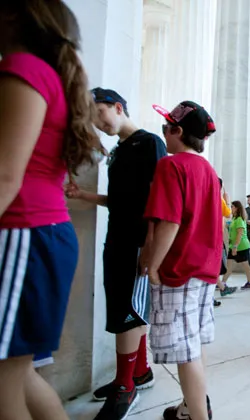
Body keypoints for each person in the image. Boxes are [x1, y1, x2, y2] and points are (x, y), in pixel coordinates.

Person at [0, 1, 101, 418]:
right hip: (37, 234)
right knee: (18, 375)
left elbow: (6, 173)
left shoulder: (24, 69)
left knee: (6, 382)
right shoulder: (48, 76)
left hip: (23, 232)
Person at [65, 88, 167, 414]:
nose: (98, 123)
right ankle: (140, 371)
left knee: (129, 313)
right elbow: (119, 200)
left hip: (139, 242)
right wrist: (83, 195)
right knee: (123, 307)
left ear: (118, 107)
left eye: (100, 114)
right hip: (117, 239)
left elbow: (160, 201)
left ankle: (126, 386)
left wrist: (150, 248)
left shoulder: (150, 143)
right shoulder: (119, 151)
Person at [143, 100, 220, 420]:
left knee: (185, 353)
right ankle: (191, 406)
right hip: (204, 270)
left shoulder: (171, 166)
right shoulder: (208, 171)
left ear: (178, 132)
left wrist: (153, 265)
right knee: (194, 343)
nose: (163, 134)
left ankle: (198, 415)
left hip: (179, 269)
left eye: (166, 128)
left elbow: (169, 223)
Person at [223, 201, 250, 290]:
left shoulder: (240, 219)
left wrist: (235, 246)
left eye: (232, 206)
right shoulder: (234, 219)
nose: (231, 208)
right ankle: (223, 282)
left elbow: (239, 234)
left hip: (241, 246)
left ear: (237, 208)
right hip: (233, 246)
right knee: (229, 265)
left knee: (245, 264)